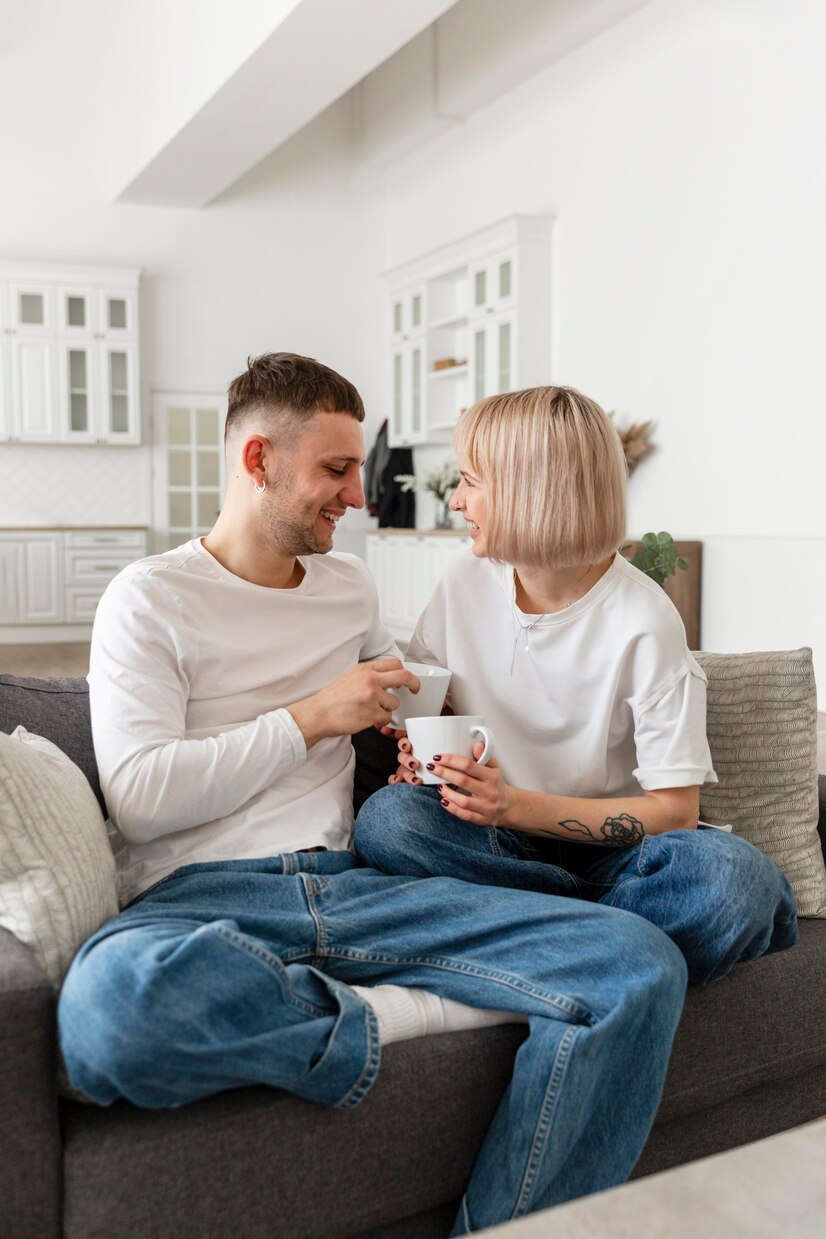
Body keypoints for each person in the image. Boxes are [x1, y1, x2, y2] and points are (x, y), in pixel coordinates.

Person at [58, 355, 688, 1236]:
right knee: (108, 1011)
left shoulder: (350, 589)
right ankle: (379, 1016)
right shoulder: (148, 598)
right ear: (256, 462)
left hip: (360, 886)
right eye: (336, 469)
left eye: (357, 469)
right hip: (203, 901)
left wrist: (418, 739)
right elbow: (140, 799)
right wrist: (315, 714)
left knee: (640, 962)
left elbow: (418, 696)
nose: (359, 495)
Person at [354, 385, 797, 986]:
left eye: (470, 481)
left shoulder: (644, 619)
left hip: (618, 855)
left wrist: (511, 802)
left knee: (734, 880)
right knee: (390, 821)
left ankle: (531, 940)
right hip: (498, 846)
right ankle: (609, 946)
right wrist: (421, 744)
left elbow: (675, 813)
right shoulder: (463, 581)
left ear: (530, 490)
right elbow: (435, 696)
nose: (456, 501)